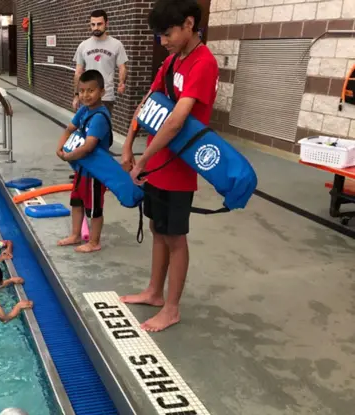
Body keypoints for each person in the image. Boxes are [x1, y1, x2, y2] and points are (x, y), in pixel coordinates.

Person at [121, 0, 219, 332]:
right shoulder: (173, 60)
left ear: (189, 23)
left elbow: (177, 121)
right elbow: (148, 102)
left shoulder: (203, 64)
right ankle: (154, 291)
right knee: (157, 228)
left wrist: (142, 162)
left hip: (178, 166)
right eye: (159, 35)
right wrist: (128, 143)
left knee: (175, 236)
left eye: (167, 33)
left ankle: (172, 308)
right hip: (156, 162)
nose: (163, 41)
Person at [56, 70, 113, 253]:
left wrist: (68, 156)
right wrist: (61, 146)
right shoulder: (83, 110)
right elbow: (69, 129)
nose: (85, 95)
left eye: (90, 91)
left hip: (95, 171)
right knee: (77, 202)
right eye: (81, 91)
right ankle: (75, 234)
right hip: (82, 168)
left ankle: (94, 241)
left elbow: (89, 147)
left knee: (94, 207)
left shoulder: (99, 117)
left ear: (102, 92)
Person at [72, 10, 128, 116]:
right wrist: (76, 95)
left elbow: (122, 67)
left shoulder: (117, 45)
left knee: (102, 128)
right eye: (93, 24)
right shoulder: (83, 46)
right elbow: (78, 72)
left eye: (99, 24)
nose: (96, 27)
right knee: (85, 127)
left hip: (106, 96)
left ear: (106, 24)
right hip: (86, 95)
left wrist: (122, 82)